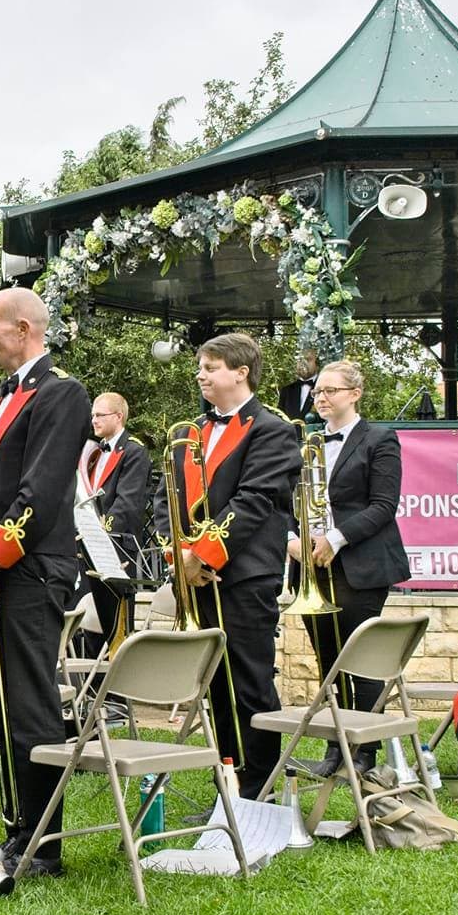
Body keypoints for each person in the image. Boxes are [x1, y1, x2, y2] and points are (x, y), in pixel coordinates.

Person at [0, 288, 91, 877]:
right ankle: (18, 832)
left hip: (32, 570)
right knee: (6, 706)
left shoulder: (63, 392)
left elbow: (43, 490)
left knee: (30, 705)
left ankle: (43, 847)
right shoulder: (3, 398)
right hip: (2, 569)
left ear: (26, 328)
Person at [152, 331, 300, 802]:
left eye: (211, 367)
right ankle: (230, 782)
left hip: (244, 575)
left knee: (249, 681)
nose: (200, 374)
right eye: (200, 366)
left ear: (241, 372)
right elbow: (165, 501)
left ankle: (261, 788)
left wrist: (204, 554)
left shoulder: (273, 429)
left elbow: (254, 501)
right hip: (195, 574)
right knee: (214, 684)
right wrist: (179, 557)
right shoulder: (188, 431)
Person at [288, 359, 411, 776]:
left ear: (355, 394)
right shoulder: (307, 441)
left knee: (361, 660)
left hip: (358, 564)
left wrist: (335, 539)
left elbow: (383, 506)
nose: (321, 398)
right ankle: (334, 750)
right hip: (312, 567)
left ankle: (365, 752)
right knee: (328, 662)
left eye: (331, 391)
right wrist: (294, 540)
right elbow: (290, 500)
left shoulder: (379, 438)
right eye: (318, 392)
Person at [77, 392, 150, 643]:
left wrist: (99, 535)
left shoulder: (134, 451)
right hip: (87, 547)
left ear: (118, 417)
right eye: (92, 415)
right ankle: (91, 681)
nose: (94, 420)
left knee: (115, 626)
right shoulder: (93, 453)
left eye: (100, 415)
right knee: (89, 631)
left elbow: (127, 504)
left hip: (115, 548)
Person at [277, 348, 320, 423]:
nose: (303, 364)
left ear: (317, 364)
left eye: (308, 360)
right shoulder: (286, 391)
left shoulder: (324, 389)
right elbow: (279, 419)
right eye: (300, 360)